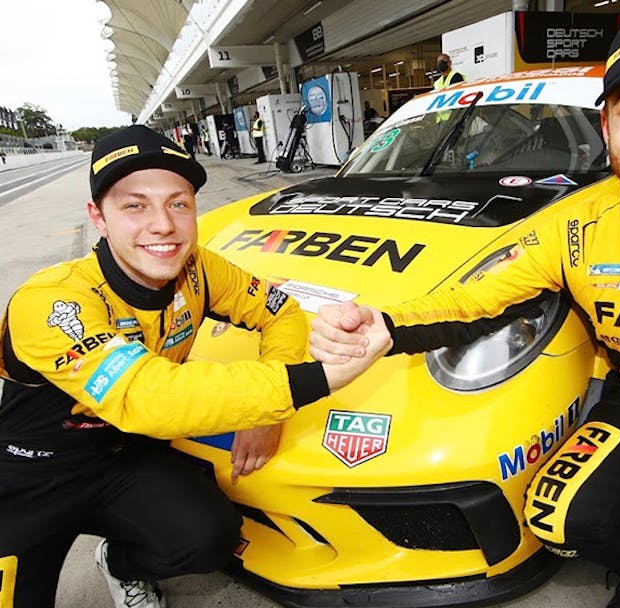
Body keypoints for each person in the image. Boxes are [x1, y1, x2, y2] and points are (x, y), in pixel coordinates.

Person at [309, 1, 620, 607]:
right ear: (608, 129)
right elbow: (470, 299)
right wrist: (380, 325)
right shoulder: (570, 225)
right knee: (556, 517)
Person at [0, 125, 390, 608]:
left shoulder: (200, 269)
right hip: (30, 475)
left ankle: (120, 565)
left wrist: (268, 414)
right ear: (98, 218)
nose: (163, 224)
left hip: (125, 457)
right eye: (135, 205)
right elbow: (148, 396)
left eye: (179, 203)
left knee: (208, 537)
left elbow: (282, 311)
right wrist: (306, 383)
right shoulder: (51, 300)